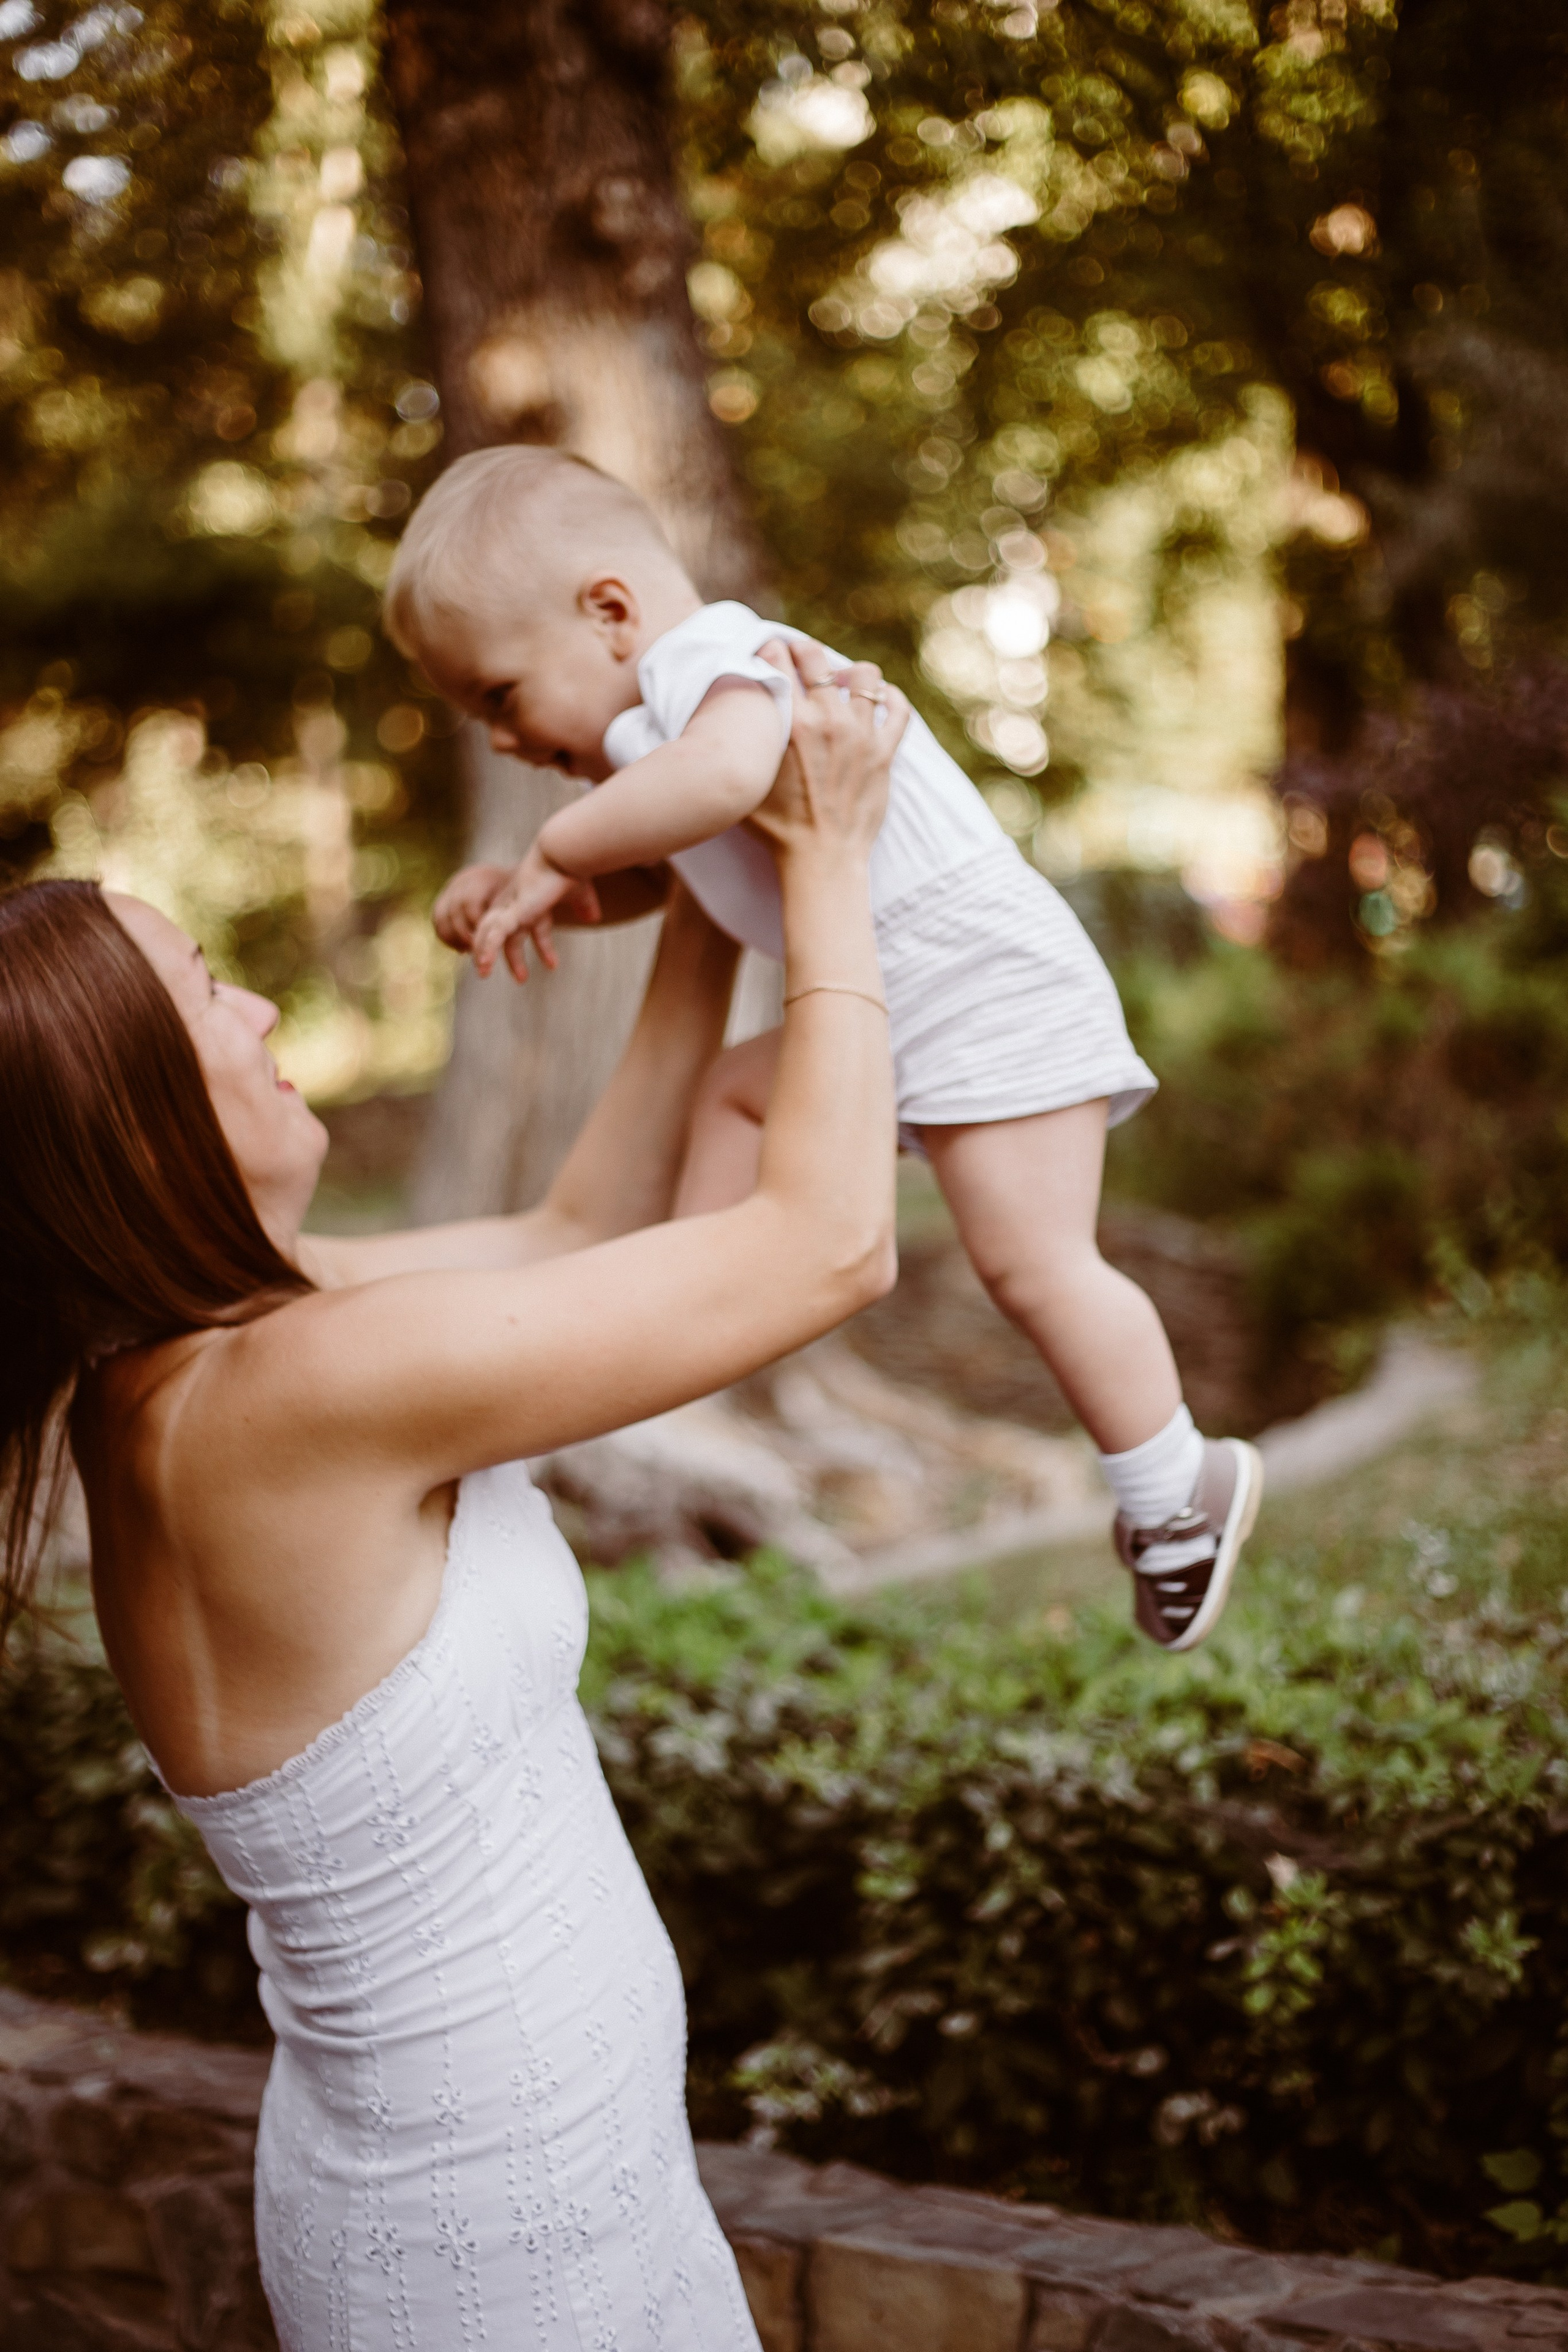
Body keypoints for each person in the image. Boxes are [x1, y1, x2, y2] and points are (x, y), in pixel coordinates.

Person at [0, 647, 905, 2351]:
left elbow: (580, 1234)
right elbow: (830, 1243)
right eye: (215, 991)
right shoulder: (289, 1397)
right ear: (134, 1123)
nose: (265, 1017)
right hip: (503, 2257)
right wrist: (827, 855)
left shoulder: (215, 1360)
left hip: (514, 2197)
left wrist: (712, 893)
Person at [383, 448, 1263, 1649]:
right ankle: (702, 1299)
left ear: (608, 612)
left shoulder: (715, 659)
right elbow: (660, 866)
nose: (496, 739)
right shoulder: (658, 734)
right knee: (742, 1097)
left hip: (973, 981)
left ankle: (1174, 1489)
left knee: (1030, 1264)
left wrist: (556, 850)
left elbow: (728, 777)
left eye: (496, 695)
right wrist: (535, 888)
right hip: (898, 1002)